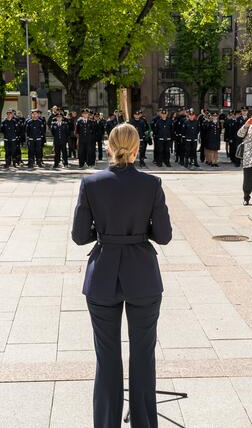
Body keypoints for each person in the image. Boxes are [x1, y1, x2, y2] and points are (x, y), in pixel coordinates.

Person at [71, 123, 171, 428]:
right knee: (143, 357)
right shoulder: (152, 183)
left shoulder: (91, 184)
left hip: (103, 274)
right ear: (138, 147)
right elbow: (164, 236)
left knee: (107, 358)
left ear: (108, 146)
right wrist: (140, 231)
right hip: (142, 273)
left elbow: (78, 236)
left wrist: (104, 233)